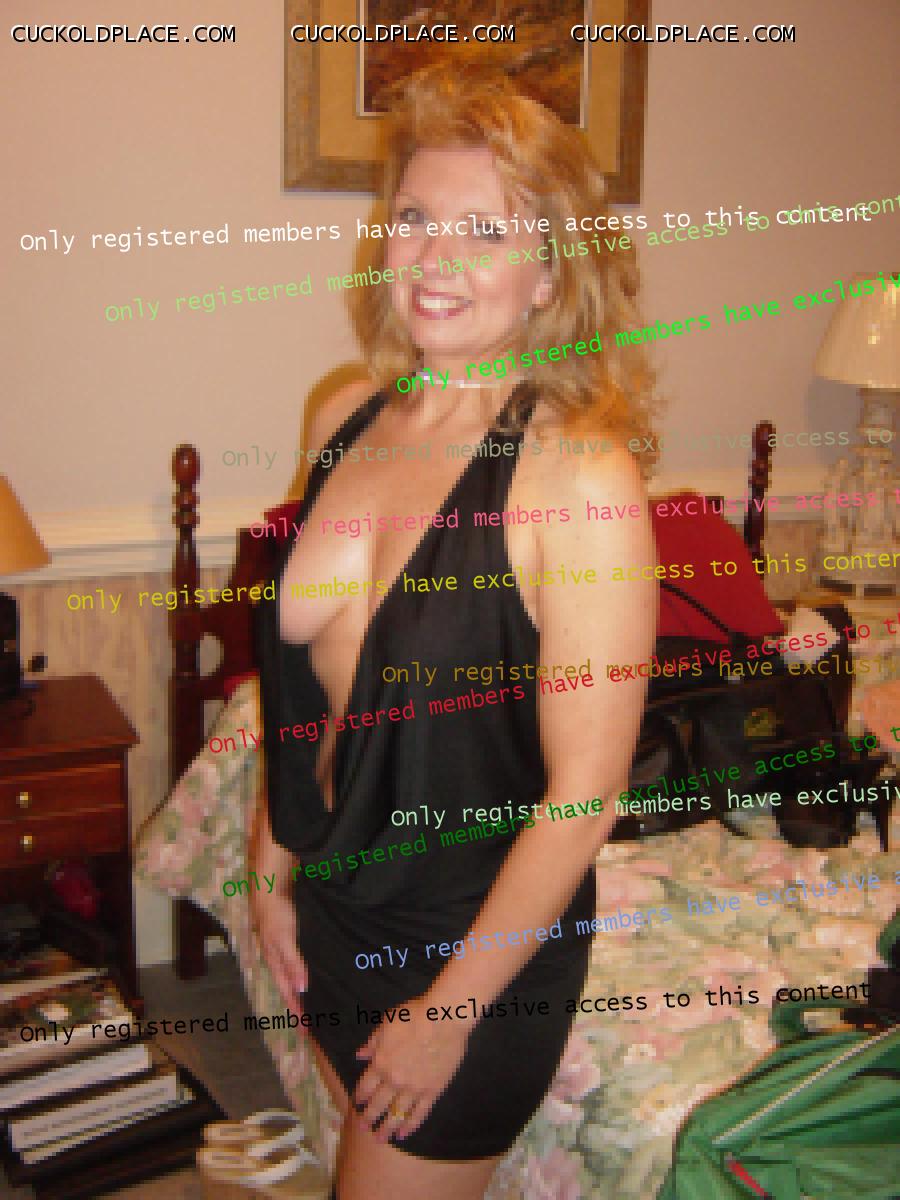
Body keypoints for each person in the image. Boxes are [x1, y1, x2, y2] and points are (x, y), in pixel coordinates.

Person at [252, 62, 658, 1200]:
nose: (435, 259)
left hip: (466, 947)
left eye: (486, 231)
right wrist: (269, 867)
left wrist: (447, 1014)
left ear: (549, 272)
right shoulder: (345, 413)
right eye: (417, 218)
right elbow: (300, 689)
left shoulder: (579, 479)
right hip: (333, 899)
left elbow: (585, 799)